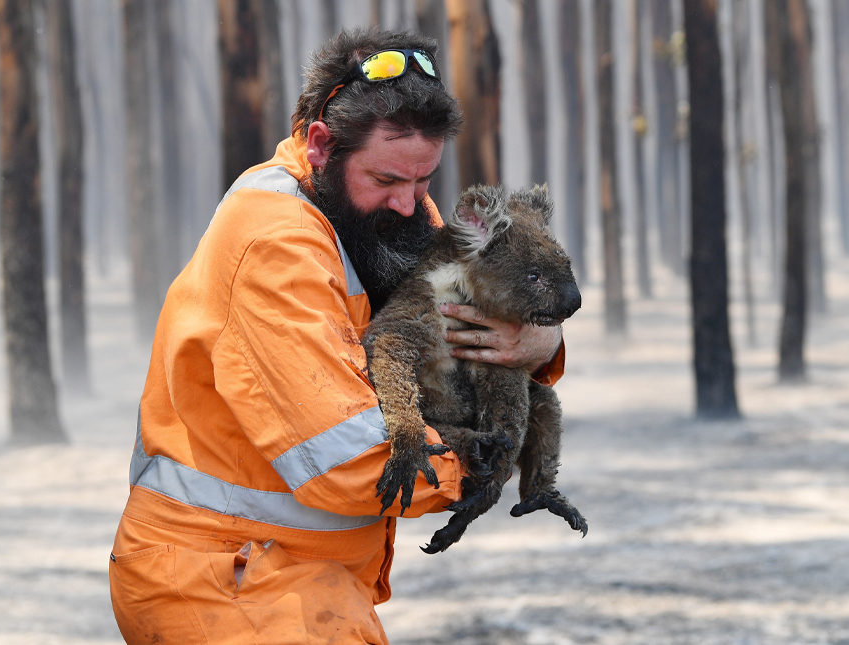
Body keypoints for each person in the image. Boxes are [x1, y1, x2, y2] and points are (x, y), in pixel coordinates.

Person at [109, 29, 566, 645]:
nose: (411, 205)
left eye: (424, 181)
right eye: (387, 180)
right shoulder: (275, 243)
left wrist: (542, 347)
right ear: (322, 145)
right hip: (223, 580)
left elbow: (471, 330)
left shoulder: (386, 214)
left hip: (302, 576)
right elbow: (349, 460)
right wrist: (482, 464)